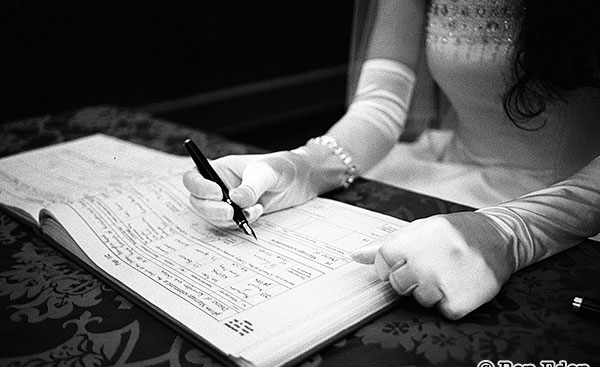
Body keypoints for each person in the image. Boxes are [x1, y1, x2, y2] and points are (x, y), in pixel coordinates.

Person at [183, 0, 600, 320]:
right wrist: (303, 167)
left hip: (579, 201)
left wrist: (515, 232)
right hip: (445, 173)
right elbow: (382, 102)